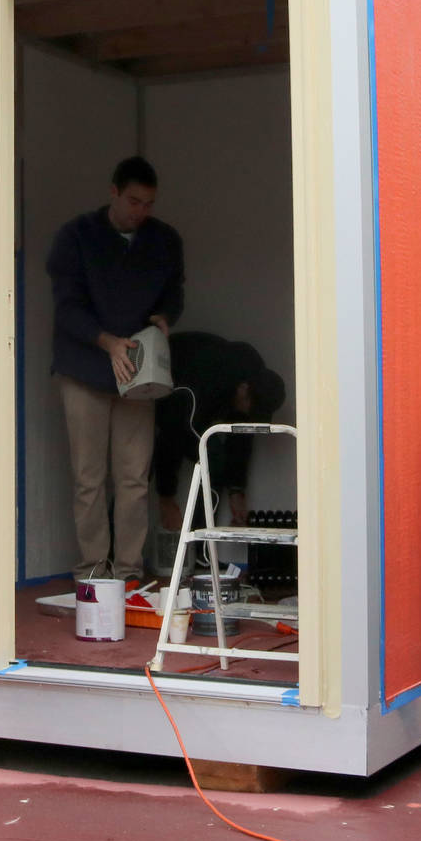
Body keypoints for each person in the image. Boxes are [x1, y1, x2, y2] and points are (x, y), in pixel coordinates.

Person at [46, 155, 184, 581]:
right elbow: (66, 307)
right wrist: (106, 343)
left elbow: (175, 292)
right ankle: (91, 573)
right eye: (133, 201)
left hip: (139, 374)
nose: (140, 212)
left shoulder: (164, 239)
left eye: (148, 204)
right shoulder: (76, 236)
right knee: (89, 478)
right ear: (113, 193)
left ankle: (127, 573)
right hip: (85, 367)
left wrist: (166, 317)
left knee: (133, 478)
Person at [152, 332, 286, 530]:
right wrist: (166, 498)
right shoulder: (208, 378)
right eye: (251, 408)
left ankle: (203, 551)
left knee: (216, 458)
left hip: (187, 404)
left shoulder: (252, 376)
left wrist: (237, 491)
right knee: (136, 471)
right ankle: (199, 545)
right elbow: (173, 433)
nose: (250, 412)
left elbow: (241, 435)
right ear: (243, 389)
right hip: (159, 385)